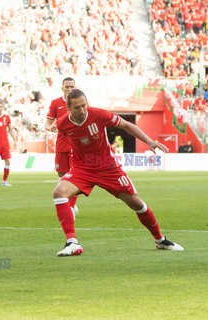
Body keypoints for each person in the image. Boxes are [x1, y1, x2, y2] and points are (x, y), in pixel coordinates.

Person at [52, 89, 183, 256]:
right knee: (59, 192)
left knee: (137, 203)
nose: (82, 110)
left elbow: (127, 125)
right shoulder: (62, 124)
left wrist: (149, 141)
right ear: (68, 108)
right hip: (82, 168)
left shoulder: (99, 114)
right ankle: (72, 242)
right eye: (77, 107)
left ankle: (160, 240)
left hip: (107, 167)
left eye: (84, 105)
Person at [45, 77, 79, 218]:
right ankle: (71, 204)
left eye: (72, 87)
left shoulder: (80, 102)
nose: (70, 89)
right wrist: (51, 128)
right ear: (62, 88)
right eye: (67, 87)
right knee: (62, 176)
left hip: (76, 145)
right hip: (60, 145)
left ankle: (70, 206)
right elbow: (47, 124)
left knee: (75, 176)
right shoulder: (55, 103)